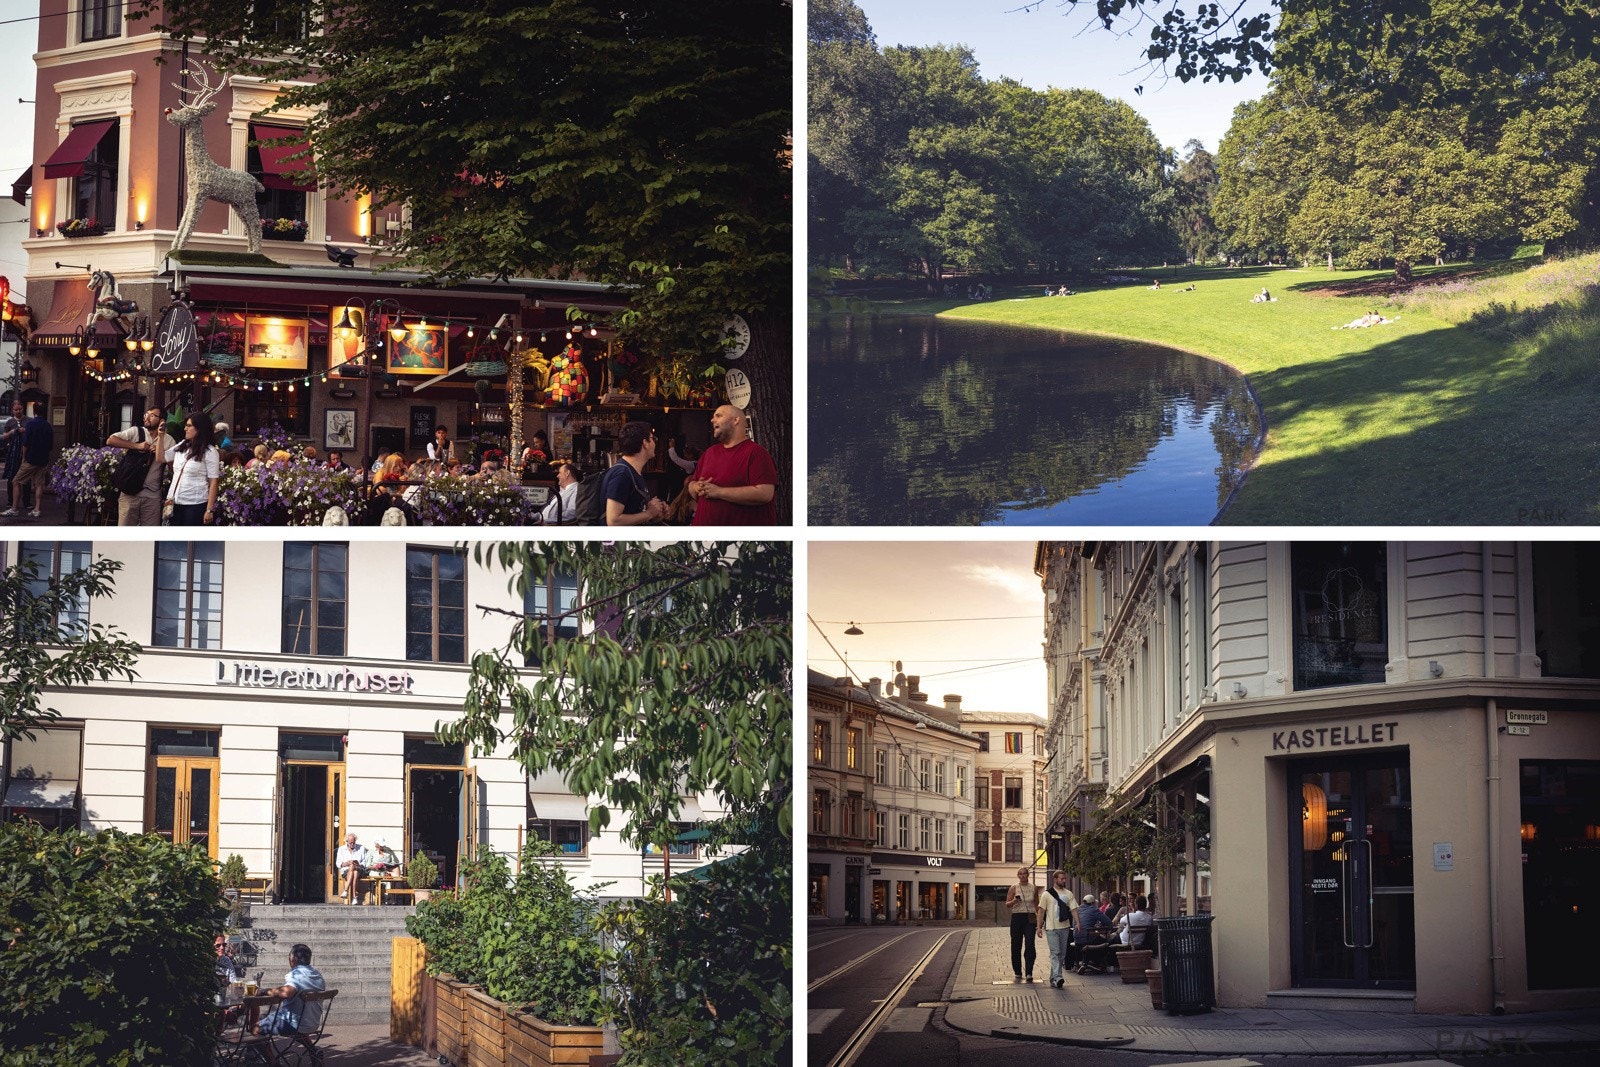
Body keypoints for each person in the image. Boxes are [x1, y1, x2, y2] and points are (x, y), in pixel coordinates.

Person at [688, 405, 778, 526]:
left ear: (736, 420)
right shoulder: (709, 452)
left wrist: (719, 492)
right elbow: (692, 485)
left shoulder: (756, 453)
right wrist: (696, 487)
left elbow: (765, 493)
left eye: (719, 416)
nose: (712, 420)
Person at [253, 943, 326, 1060]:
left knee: (255, 1030)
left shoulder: (296, 974)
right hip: (311, 1022)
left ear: (292, 960)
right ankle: (313, 1051)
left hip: (293, 1023)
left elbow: (286, 992)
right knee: (298, 1029)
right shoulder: (317, 975)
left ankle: (273, 1063)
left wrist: (263, 991)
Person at [106, 406, 174, 526]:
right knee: (125, 534)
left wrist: (161, 452)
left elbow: (173, 467)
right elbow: (111, 440)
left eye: (152, 415)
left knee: (149, 537)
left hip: (152, 496)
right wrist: (137, 446)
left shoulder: (169, 440)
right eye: (146, 414)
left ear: (162, 420)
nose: (147, 417)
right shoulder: (136, 431)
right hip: (129, 493)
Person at [602, 421, 667, 525]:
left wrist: (656, 514)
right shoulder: (622, 474)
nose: (655, 443)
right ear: (645, 443)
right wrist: (649, 513)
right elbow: (613, 521)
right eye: (653, 439)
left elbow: (635, 513)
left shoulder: (633, 472)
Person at [163, 411, 222, 525]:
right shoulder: (182, 445)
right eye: (186, 425)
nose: (185, 428)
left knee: (191, 540)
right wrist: (161, 436)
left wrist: (209, 510)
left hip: (195, 504)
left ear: (200, 428)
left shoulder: (210, 452)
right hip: (174, 501)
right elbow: (161, 457)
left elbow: (214, 481)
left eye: (189, 426)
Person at [4, 405, 53, 518]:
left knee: (16, 481)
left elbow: (25, 443)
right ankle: (37, 509)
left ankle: (14, 508)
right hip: (43, 458)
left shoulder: (30, 424)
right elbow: (51, 445)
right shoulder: (48, 426)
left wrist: (24, 457)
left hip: (31, 458)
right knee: (39, 484)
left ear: (34, 412)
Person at [1035, 869, 1079, 988]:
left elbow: (1074, 909)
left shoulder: (1068, 893)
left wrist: (1078, 924)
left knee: (1062, 954)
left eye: (1065, 878)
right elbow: (1041, 911)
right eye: (1062, 878)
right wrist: (1038, 927)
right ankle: (1058, 977)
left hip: (1065, 927)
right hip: (1051, 928)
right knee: (1055, 952)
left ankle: (1053, 978)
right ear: (1055, 879)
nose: (1064, 880)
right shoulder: (1046, 894)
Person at [1004, 866, 1039, 982]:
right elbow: (1007, 904)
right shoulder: (1014, 887)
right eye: (1020, 874)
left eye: (1024, 873)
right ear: (1018, 876)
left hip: (1030, 918)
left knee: (1030, 944)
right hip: (1017, 917)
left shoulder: (1033, 888)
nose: (1023, 875)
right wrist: (1014, 901)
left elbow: (1037, 906)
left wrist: (1039, 921)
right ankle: (1017, 971)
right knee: (1016, 945)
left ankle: (1029, 972)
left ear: (1028, 875)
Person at [362, 455, 417, 525]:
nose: (399, 468)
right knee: (405, 507)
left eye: (400, 466)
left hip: (392, 501)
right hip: (380, 503)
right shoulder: (380, 473)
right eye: (396, 466)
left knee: (408, 507)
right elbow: (379, 490)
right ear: (390, 465)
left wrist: (406, 473)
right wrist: (394, 493)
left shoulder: (397, 476)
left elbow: (402, 491)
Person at [1074, 892, 1116, 974]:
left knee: (1091, 937)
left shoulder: (1078, 909)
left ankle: (1085, 963)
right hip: (1088, 939)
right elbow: (1108, 922)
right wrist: (1110, 929)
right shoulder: (1093, 910)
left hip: (1077, 939)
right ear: (1092, 903)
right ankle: (1099, 963)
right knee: (1105, 941)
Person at [539, 460, 580, 524]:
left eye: (560, 473)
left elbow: (572, 513)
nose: (557, 476)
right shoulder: (561, 492)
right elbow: (546, 512)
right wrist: (532, 516)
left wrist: (546, 521)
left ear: (567, 473)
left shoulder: (576, 490)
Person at [0, 402, 25, 509]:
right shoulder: (10, 422)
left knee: (25, 479)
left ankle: (27, 502)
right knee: (11, 477)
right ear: (12, 410)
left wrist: (25, 431)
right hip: (12, 453)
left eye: (20, 409)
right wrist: (12, 432)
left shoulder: (28, 421)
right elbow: (4, 437)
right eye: (16, 410)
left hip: (24, 452)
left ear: (23, 409)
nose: (18, 411)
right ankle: (10, 501)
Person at [334, 832, 368, 904]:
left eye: (353, 842)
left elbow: (365, 862)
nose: (352, 844)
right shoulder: (341, 849)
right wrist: (347, 863)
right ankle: (354, 897)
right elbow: (338, 864)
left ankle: (346, 890)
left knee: (353, 867)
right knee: (354, 871)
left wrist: (358, 864)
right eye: (350, 843)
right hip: (347, 871)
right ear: (347, 841)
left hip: (359, 869)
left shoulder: (361, 848)